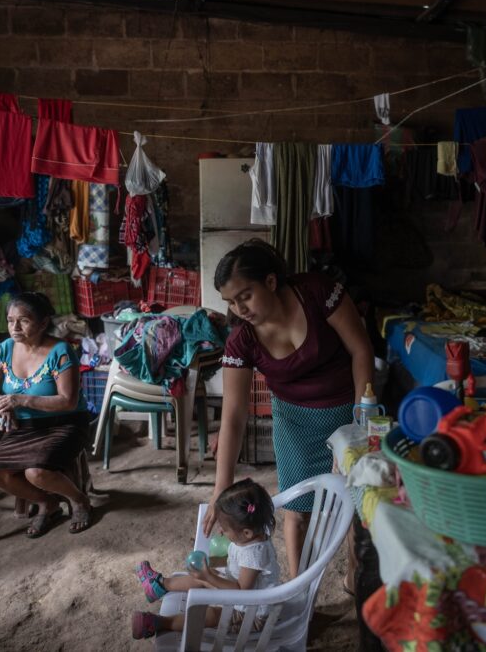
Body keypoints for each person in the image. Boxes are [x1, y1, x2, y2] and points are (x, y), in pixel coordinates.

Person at [203, 240, 373, 582]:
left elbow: (361, 351)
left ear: (270, 281)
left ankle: (355, 579)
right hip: (294, 423)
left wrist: (359, 425)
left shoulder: (317, 292)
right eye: (231, 302)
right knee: (297, 510)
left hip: (348, 412)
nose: (239, 309)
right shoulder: (242, 340)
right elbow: (234, 416)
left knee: (356, 502)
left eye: (245, 295)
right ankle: (299, 593)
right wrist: (221, 487)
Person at [0, 292, 92, 537]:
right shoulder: (6, 349)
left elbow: (67, 402)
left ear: (43, 323)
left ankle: (79, 500)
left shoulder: (60, 351)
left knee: (35, 472)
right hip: (24, 427)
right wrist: (0, 402)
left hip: (64, 424)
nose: (14, 327)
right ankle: (47, 503)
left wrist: (20, 399)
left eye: (23, 320)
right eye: (10, 320)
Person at [131, 479, 280, 639]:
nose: (221, 532)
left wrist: (209, 577)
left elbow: (241, 590)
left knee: (211, 614)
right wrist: (210, 573)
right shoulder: (251, 532)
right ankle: (158, 585)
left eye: (224, 528)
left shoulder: (254, 553)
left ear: (246, 533)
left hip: (251, 614)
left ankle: (159, 623)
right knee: (205, 576)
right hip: (242, 597)